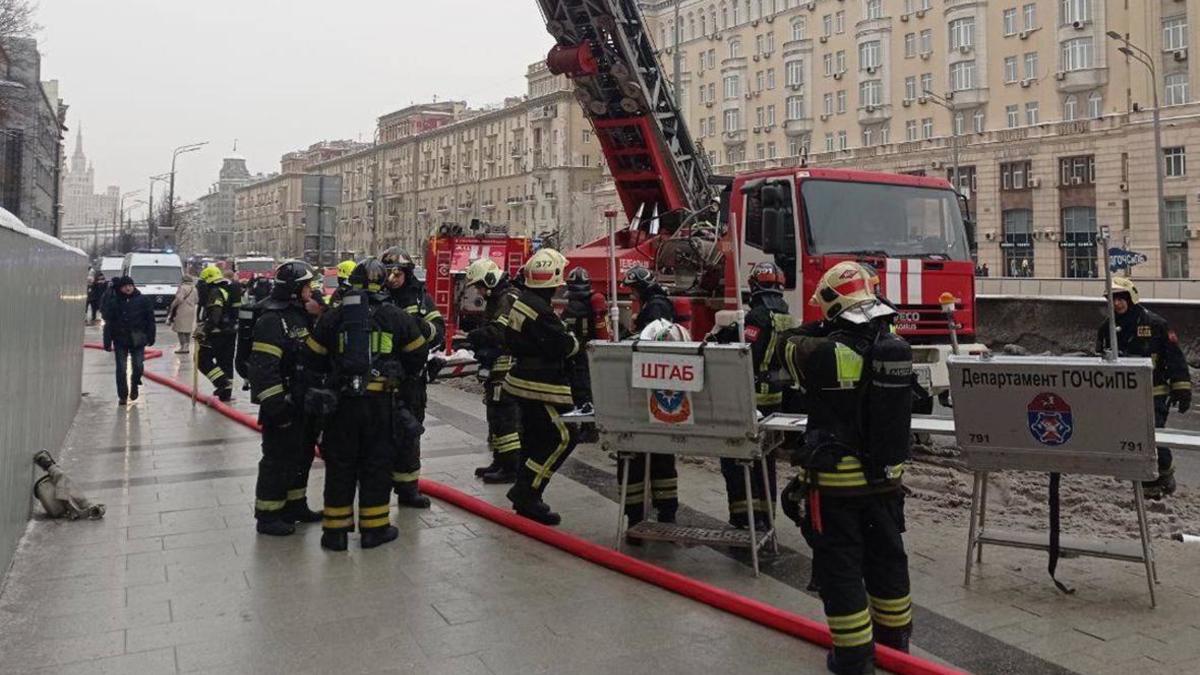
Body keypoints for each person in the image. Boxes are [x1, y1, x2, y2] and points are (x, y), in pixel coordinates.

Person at [780, 262, 914, 675]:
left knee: (840, 572)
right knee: (888, 563)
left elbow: (787, 343)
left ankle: (853, 658)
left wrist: (825, 323)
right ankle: (895, 648)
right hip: (886, 483)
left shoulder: (824, 352)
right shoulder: (891, 344)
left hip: (837, 488)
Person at [301, 258, 434, 550]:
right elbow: (418, 355)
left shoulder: (333, 316)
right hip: (379, 404)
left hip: (341, 406)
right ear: (382, 283)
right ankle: (375, 530)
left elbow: (312, 358)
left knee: (340, 465)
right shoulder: (396, 315)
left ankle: (334, 534)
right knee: (376, 465)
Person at [711, 261, 794, 529]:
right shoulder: (787, 315)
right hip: (775, 400)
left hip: (750, 399)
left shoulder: (758, 317)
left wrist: (724, 336)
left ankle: (743, 516)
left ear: (756, 285)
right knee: (765, 460)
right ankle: (766, 516)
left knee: (736, 460)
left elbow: (745, 351)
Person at [246, 261, 326, 536]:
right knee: (277, 459)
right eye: (307, 286)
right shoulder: (271, 320)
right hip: (282, 405)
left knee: (301, 456)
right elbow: (264, 369)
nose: (311, 290)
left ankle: (295, 505)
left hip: (302, 403)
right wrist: (277, 406)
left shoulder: (300, 314)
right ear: (294, 290)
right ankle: (268, 515)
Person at [502, 248, 581, 525]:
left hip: (524, 380)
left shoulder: (526, 301)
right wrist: (573, 339)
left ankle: (525, 492)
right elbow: (565, 346)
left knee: (535, 439)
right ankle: (528, 492)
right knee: (563, 437)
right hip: (540, 384)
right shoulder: (541, 311)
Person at [1097, 276, 1192, 499]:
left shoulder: (1154, 323)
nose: (1117, 303)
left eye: (1121, 298)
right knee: (1132, 437)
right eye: (1113, 299)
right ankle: (1145, 480)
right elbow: (1101, 361)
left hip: (1154, 391)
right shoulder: (1106, 329)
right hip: (1123, 395)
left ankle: (1164, 477)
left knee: (1152, 435)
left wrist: (1182, 389)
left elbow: (1174, 357)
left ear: (1131, 298)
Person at [379, 246, 444, 508]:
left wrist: (415, 326)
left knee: (409, 434)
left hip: (411, 379)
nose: (392, 279)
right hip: (381, 379)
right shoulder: (377, 298)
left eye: (397, 273)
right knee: (379, 434)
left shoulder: (420, 299)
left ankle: (408, 490)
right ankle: (377, 487)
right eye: (388, 274)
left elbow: (438, 332)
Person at [618, 265, 679, 527]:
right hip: (657, 388)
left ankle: (639, 514)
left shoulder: (655, 308)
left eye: (632, 290)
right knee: (661, 453)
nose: (631, 295)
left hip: (648, 388)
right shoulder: (657, 304)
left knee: (637, 453)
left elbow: (650, 342)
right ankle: (665, 510)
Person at [464, 258, 524, 483]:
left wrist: (474, 337)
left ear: (490, 279)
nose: (479, 290)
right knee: (495, 416)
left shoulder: (508, 298)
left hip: (508, 366)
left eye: (479, 285)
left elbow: (500, 333)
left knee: (506, 417)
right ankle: (500, 461)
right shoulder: (498, 298)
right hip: (498, 366)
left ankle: (511, 467)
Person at [560, 266, 611, 442]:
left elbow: (564, 328)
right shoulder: (591, 303)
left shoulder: (574, 307)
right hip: (590, 352)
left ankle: (589, 429)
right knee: (589, 390)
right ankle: (589, 427)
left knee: (582, 391)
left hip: (579, 355)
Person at [101, 276, 156, 406]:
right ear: (120, 288)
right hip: (120, 339)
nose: (128, 288)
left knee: (138, 365)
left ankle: (135, 382)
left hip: (138, 339)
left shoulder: (143, 300)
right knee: (121, 368)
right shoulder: (114, 302)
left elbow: (150, 320)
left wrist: (151, 336)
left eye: (130, 285)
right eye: (125, 286)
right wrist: (107, 341)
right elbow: (109, 323)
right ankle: (122, 395)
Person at [196, 264, 242, 401]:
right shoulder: (227, 289)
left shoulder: (215, 292)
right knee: (225, 362)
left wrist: (204, 331)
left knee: (202, 360)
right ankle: (226, 393)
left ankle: (221, 382)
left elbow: (215, 315)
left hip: (217, 333)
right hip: (231, 332)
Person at [166, 275, 198, 355]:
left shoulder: (182, 287)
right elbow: (197, 300)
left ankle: (183, 347)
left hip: (182, 310)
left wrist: (173, 305)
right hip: (191, 310)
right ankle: (187, 346)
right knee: (187, 329)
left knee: (180, 329)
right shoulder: (194, 288)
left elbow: (179, 299)